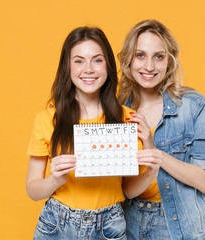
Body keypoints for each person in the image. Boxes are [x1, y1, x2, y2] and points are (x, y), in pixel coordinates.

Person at [26, 26, 139, 240]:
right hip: (56, 223)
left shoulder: (128, 119)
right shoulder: (47, 119)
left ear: (108, 65)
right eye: (78, 61)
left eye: (97, 60)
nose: (88, 69)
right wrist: (55, 179)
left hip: (110, 226)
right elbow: (33, 190)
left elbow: (130, 191)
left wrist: (152, 162)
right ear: (67, 67)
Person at [118, 20, 205, 240]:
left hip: (186, 228)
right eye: (140, 55)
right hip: (133, 225)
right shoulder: (117, 110)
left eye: (159, 56)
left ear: (169, 61)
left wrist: (156, 153)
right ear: (128, 59)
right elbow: (126, 191)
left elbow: (204, 181)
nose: (149, 66)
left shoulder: (195, 107)